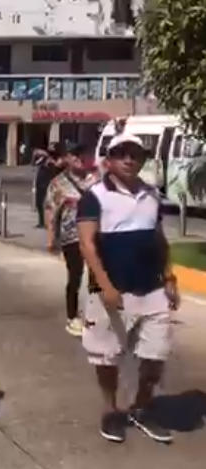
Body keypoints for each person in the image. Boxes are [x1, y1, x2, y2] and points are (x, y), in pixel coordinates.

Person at [77, 132, 179, 444]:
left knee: (156, 354)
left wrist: (170, 277)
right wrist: (106, 285)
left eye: (135, 154)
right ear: (108, 159)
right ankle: (111, 410)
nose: (129, 159)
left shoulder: (150, 194)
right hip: (109, 288)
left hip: (152, 289)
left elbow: (158, 238)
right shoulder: (94, 196)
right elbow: (87, 245)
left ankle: (142, 406)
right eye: (122, 153)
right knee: (106, 356)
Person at [44, 142, 98, 337]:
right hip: (71, 235)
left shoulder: (97, 180)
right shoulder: (58, 183)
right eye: (75, 156)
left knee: (96, 274)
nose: (80, 159)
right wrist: (51, 237)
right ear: (67, 158)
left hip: (95, 234)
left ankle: (95, 314)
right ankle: (72, 316)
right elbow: (51, 210)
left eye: (83, 155)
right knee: (75, 275)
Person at [33, 143, 65, 228]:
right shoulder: (44, 157)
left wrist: (51, 161)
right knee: (39, 202)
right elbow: (35, 160)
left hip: (52, 183)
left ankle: (53, 222)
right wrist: (42, 155)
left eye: (52, 148)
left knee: (52, 203)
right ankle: (41, 221)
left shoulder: (59, 158)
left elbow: (59, 165)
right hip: (41, 182)